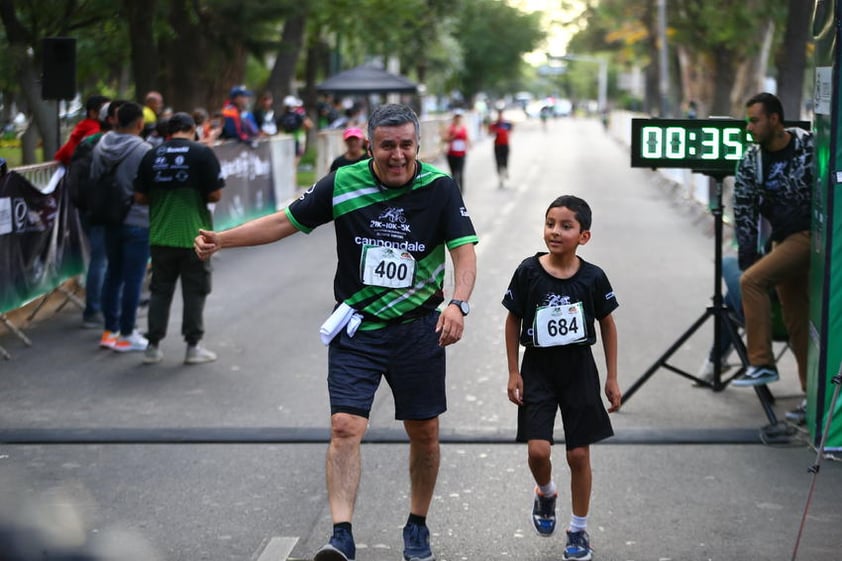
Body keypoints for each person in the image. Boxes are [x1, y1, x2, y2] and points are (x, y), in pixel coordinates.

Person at [194, 103, 478, 561]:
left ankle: (417, 523)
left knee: (424, 431)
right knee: (345, 426)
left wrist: (458, 304)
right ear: (370, 146)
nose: (398, 155)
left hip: (417, 329)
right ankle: (341, 534)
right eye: (388, 146)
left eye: (406, 145)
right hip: (358, 326)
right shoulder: (343, 183)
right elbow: (284, 222)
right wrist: (222, 239)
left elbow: (464, 252)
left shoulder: (440, 188)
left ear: (418, 145)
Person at [502, 195, 620, 561]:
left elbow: (608, 324)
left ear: (583, 236)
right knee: (538, 450)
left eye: (565, 226)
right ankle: (546, 492)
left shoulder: (593, 277)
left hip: (579, 372)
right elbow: (512, 319)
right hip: (538, 369)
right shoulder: (528, 271)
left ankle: (579, 530)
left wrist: (612, 377)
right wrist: (513, 371)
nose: (555, 231)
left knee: (578, 455)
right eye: (550, 223)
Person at [731, 92, 812, 421]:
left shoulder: (811, 148)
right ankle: (813, 397)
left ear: (774, 120)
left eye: (754, 120)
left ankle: (761, 363)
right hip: (783, 241)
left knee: (751, 282)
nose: (749, 127)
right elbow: (744, 209)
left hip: (812, 235)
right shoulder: (752, 160)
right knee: (797, 323)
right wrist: (748, 252)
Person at [134, 112, 224, 365]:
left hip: (161, 235)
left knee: (160, 290)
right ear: (193, 129)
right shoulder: (202, 153)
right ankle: (192, 347)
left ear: (168, 131)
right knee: (195, 291)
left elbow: (139, 197)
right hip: (195, 237)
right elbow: (216, 195)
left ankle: (152, 345)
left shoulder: (152, 155)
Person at [91, 101, 153, 352]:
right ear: (139, 123)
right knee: (134, 279)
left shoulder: (101, 145)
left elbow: (95, 178)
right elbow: (148, 187)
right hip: (138, 219)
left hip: (110, 218)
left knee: (113, 274)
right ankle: (128, 333)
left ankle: (109, 331)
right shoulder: (144, 149)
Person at [66, 99, 123, 329]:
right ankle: (95, 310)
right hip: (104, 209)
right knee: (102, 259)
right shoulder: (108, 142)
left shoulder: (88, 141)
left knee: (103, 259)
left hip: (93, 208)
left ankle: (104, 308)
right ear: (110, 118)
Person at [54, 94, 110, 166]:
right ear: (93, 113)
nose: (109, 114)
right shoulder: (94, 130)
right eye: (105, 111)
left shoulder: (84, 126)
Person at [278, 95, 313, 161]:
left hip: (285, 139)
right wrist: (302, 128)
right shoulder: (298, 115)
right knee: (297, 156)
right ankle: (293, 169)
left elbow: (279, 128)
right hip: (297, 138)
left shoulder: (283, 116)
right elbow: (309, 125)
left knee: (288, 158)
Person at [442, 111, 470, 192]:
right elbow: (445, 139)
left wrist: (468, 144)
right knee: (454, 173)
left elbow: (467, 138)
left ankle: (461, 190)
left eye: (459, 117)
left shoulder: (464, 128)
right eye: (456, 117)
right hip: (451, 154)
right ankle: (455, 189)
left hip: (461, 153)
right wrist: (452, 137)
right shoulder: (450, 128)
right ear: (454, 118)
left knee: (460, 172)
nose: (458, 119)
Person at [488, 109, 513, 188]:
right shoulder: (494, 124)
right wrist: (494, 132)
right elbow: (489, 133)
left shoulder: (507, 124)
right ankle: (500, 178)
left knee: (505, 160)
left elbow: (511, 129)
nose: (500, 116)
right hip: (497, 145)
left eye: (501, 115)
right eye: (499, 115)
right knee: (498, 162)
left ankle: (505, 170)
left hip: (505, 145)